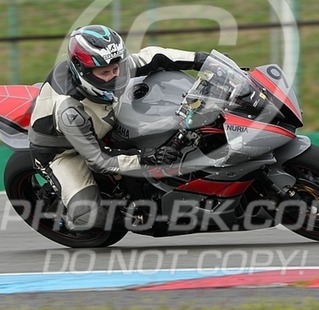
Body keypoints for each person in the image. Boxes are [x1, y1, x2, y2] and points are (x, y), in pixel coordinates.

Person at [28, 24, 209, 232]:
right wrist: (147, 157)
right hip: (64, 151)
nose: (114, 76)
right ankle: (65, 213)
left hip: (104, 118)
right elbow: (99, 161)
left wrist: (202, 60)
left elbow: (154, 56)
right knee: (90, 218)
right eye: (105, 72)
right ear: (82, 71)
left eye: (117, 68)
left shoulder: (112, 67)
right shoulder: (70, 111)